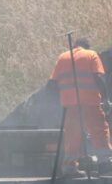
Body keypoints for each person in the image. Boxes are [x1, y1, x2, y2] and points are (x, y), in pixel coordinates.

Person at [47, 38, 112, 175]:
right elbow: (98, 78)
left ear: (75, 46)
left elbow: (51, 84)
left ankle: (69, 167)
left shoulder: (63, 57)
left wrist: (60, 101)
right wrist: (105, 99)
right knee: (99, 131)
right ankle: (105, 165)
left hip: (70, 105)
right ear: (86, 46)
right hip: (90, 103)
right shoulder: (91, 55)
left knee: (72, 134)